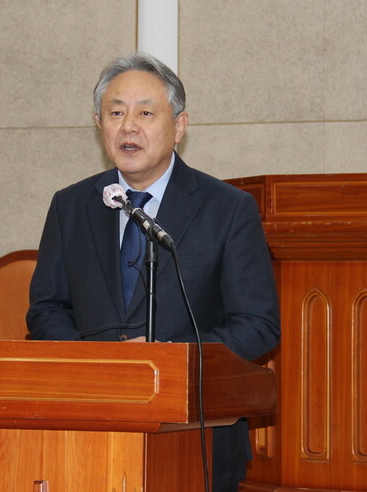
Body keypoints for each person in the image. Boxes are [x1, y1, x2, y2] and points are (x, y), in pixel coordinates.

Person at [26, 52, 280, 491]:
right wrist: (96, 364)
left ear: (179, 126)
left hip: (196, 432)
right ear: (99, 124)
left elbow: (258, 325)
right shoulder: (71, 205)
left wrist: (168, 357)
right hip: (90, 424)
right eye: (116, 112)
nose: (129, 126)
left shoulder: (227, 208)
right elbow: (47, 307)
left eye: (146, 112)